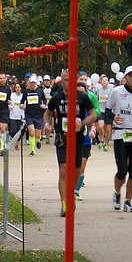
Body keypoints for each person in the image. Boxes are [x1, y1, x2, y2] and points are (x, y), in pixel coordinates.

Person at [42, 69, 97, 217]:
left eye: (70, 80)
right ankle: (64, 203)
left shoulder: (82, 97)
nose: (68, 83)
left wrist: (82, 123)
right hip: (62, 137)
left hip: (78, 138)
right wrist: (47, 124)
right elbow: (47, 113)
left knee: (76, 170)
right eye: (65, 80)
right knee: (63, 170)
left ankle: (71, 193)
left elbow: (93, 114)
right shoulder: (57, 97)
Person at [105, 65, 132, 213]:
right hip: (120, 134)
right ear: (125, 78)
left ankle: (128, 201)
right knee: (122, 171)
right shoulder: (116, 92)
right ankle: (117, 194)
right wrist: (113, 117)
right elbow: (107, 111)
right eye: (130, 76)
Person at [74, 81, 97, 202]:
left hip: (85, 139)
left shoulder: (88, 106)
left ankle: (76, 191)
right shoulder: (70, 105)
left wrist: (93, 130)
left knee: (81, 166)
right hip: (71, 139)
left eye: (82, 93)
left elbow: (93, 120)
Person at [20, 75, 47, 157]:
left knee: (37, 134)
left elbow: (44, 100)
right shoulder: (26, 92)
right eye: (31, 83)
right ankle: (32, 150)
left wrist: (44, 105)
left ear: (36, 83)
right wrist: (21, 105)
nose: (32, 84)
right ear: (29, 83)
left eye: (34, 83)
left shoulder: (40, 91)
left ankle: (38, 140)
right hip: (29, 114)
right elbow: (22, 101)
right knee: (31, 133)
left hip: (38, 114)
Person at [94, 74, 113, 150]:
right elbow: (95, 98)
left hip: (109, 110)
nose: (104, 82)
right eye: (102, 80)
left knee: (108, 129)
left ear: (108, 82)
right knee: (100, 126)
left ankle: (106, 143)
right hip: (101, 110)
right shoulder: (98, 89)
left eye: (105, 80)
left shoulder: (112, 89)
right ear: (100, 82)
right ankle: (101, 138)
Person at [9, 83, 25, 151]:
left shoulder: (23, 96)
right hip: (12, 115)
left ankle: (16, 145)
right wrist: (9, 106)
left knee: (19, 132)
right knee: (13, 131)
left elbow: (26, 105)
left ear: (21, 88)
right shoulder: (11, 95)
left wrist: (23, 107)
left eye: (19, 87)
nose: (18, 89)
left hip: (21, 116)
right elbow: (8, 102)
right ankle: (12, 139)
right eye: (16, 87)